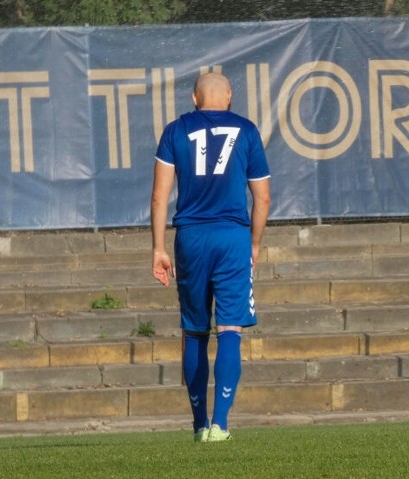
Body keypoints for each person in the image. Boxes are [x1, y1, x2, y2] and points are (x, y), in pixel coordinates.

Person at [150, 72, 271, 443]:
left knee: (195, 331)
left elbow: (159, 197)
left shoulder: (175, 130)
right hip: (233, 237)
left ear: (194, 97)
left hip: (191, 238)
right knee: (230, 328)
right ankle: (220, 425)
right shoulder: (247, 130)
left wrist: (158, 247)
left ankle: (199, 424)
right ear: (230, 96)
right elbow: (262, 199)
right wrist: (253, 243)